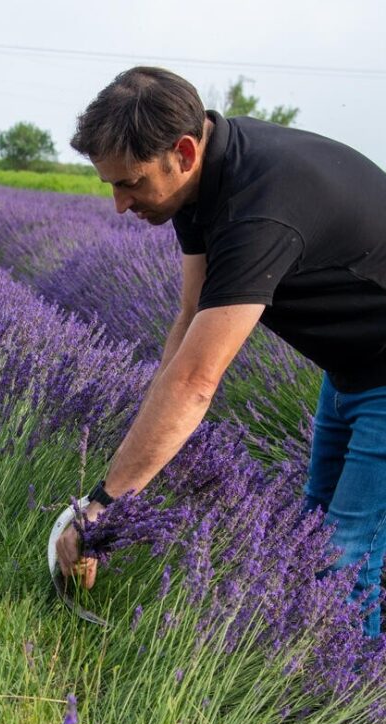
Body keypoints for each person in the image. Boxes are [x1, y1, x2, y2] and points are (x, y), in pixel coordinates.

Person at [55, 66, 386, 638]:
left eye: (129, 183)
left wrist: (104, 506)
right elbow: (190, 319)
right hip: (351, 371)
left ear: (183, 152)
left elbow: (196, 382)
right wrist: (131, 464)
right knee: (310, 538)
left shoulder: (259, 207)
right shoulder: (202, 179)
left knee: (343, 564)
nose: (119, 204)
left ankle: (358, 693)